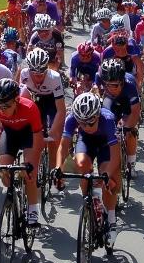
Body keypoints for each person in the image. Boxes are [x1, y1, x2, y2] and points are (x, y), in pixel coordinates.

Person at [52, 93, 121, 242]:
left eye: (90, 123)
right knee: (82, 165)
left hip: (105, 145)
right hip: (86, 142)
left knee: (108, 177)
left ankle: (111, 219)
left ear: (97, 115)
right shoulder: (71, 119)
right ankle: (88, 201)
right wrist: (59, 168)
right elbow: (63, 147)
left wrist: (107, 175)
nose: (86, 126)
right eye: (81, 123)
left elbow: (116, 157)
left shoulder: (107, 120)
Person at [0, 78, 44, 227]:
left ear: (17, 99)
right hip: (9, 134)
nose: (2, 110)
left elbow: (38, 141)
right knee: (5, 174)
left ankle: (33, 209)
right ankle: (13, 199)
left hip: (28, 135)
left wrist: (33, 165)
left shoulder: (29, 107)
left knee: (29, 175)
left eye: (7, 106)